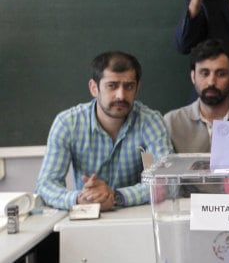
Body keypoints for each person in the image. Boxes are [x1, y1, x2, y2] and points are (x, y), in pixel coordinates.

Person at [35, 51, 173, 211]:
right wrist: (78, 199)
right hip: (87, 215)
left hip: (134, 217)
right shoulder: (68, 123)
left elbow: (166, 183)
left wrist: (116, 196)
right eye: (112, 86)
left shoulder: (150, 121)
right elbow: (45, 186)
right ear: (94, 88)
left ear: (137, 88)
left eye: (129, 86)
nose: (121, 95)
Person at [164, 38, 229, 153]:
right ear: (193, 77)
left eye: (221, 74)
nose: (211, 82)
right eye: (204, 73)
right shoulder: (172, 122)